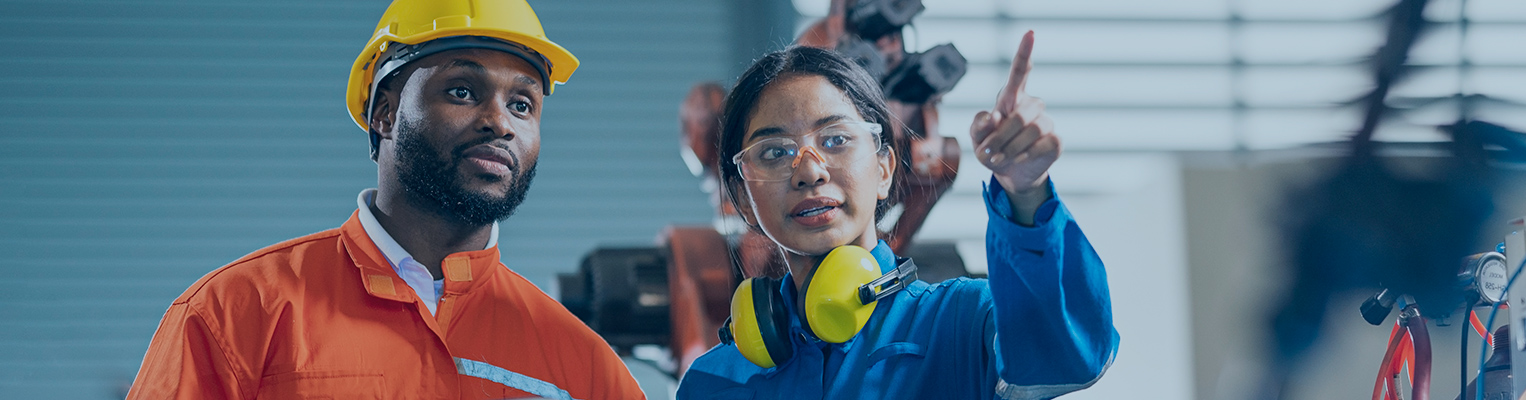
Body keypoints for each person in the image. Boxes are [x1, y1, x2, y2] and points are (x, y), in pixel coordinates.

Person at [126, 1, 642, 399]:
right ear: (385, 114)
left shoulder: (583, 366)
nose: (500, 122)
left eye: (522, 103)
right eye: (462, 90)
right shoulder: (237, 313)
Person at [675, 32, 1119, 399]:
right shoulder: (714, 383)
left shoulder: (961, 325)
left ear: (885, 168)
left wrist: (1025, 194)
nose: (809, 170)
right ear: (741, 192)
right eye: (775, 151)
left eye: (835, 140)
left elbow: (1065, 358)